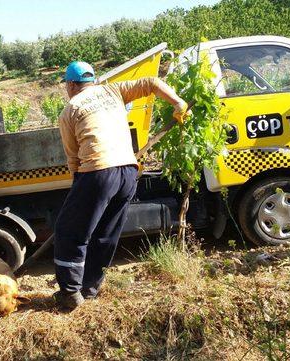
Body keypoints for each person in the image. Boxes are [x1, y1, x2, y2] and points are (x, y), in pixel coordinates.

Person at [53, 61, 189, 309]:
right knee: (105, 233)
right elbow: (151, 82)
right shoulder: (112, 91)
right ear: (92, 81)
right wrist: (178, 102)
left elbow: (73, 158)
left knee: (69, 232)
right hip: (128, 172)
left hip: (97, 171)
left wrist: (79, 186)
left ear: (71, 84)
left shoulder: (70, 109)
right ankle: (90, 288)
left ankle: (70, 293)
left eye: (66, 85)